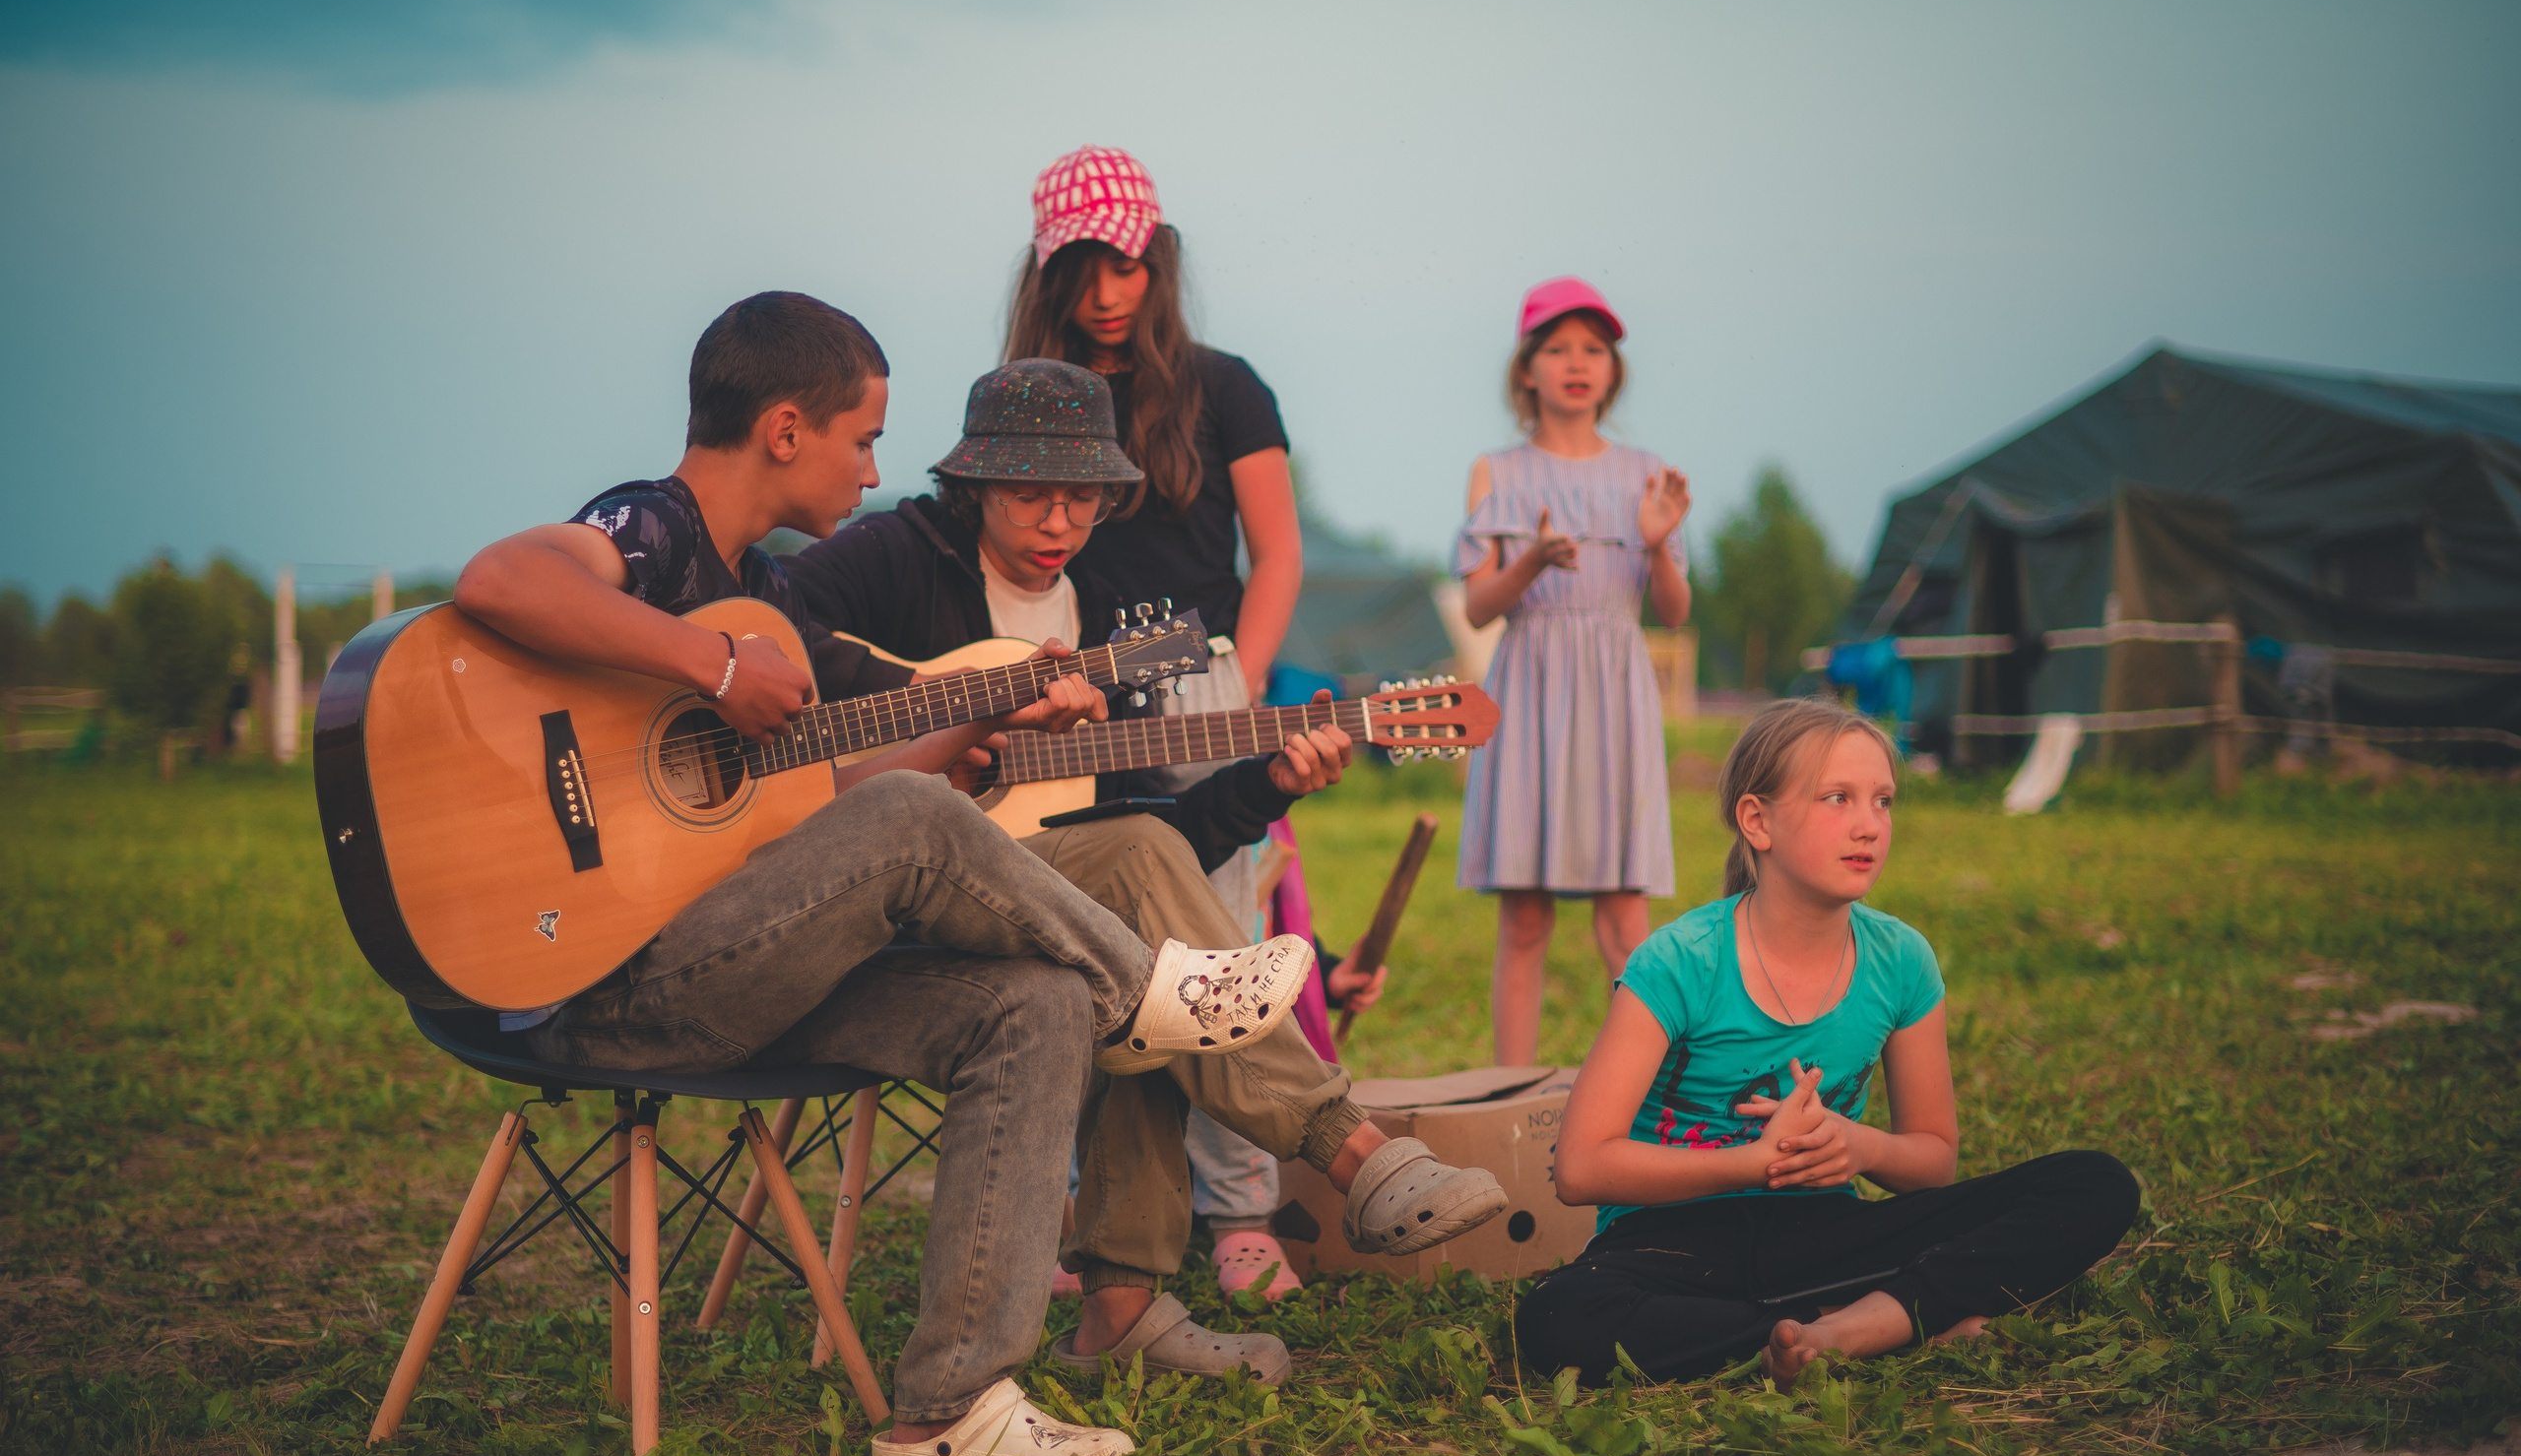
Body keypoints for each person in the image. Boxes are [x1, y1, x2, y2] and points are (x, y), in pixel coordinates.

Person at [453, 291, 1321, 1456]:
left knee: (1033, 1001)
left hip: (745, 957)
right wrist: (708, 662)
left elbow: (823, 801)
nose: (875, 469)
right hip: (606, 977)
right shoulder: (652, 532)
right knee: (918, 826)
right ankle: (1151, 992)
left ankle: (951, 1411)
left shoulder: (764, 586)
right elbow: (500, 581)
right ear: (786, 429)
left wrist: (968, 730)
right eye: (863, 439)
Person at [784, 357, 1508, 1385]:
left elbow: (1150, 827)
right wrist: (952, 717)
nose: (1058, 524)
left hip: (1030, 905)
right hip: (868, 894)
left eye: (1082, 499)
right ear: (978, 486)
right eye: (1032, 495)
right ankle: (1351, 1150)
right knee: (1152, 942)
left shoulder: (1098, 620)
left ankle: (1116, 1316)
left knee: (1150, 978)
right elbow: (761, 628)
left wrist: (1272, 781)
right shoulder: (898, 558)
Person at [1515, 699, 2140, 1387]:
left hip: (1827, 1236)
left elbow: (1931, 1161)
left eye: (1883, 801)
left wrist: (1857, 1145)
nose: (1869, 824)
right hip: (1673, 1243)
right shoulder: (1679, 960)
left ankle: (1853, 1327)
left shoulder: (1902, 960)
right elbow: (1581, 1166)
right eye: (1836, 798)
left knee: (2095, 1183)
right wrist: (1758, 1163)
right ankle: (1860, 1328)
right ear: (1758, 821)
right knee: (1556, 1316)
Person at [1002, 145, 1310, 1282]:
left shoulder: (1226, 386)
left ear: (1158, 259)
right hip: (1060, 699)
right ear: (1050, 273)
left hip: (1204, 691)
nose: (1112, 291)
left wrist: (1248, 696)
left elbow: (1276, 553)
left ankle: (1239, 1218)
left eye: (1131, 263)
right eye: (1087, 267)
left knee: (1222, 948)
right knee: (1077, 952)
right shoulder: (1026, 398)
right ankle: (1085, 1216)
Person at [1456, 277, 1694, 1066]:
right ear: (1527, 369)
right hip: (1528, 689)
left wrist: (1660, 542)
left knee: (1627, 918)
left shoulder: (1646, 472)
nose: (1576, 363)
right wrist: (1529, 562)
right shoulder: (1495, 471)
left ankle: (1656, 1090)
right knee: (1524, 916)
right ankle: (1511, 1094)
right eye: (1556, 348)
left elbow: (1674, 610)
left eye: (1593, 348)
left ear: (1614, 369)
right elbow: (1481, 608)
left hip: (1616, 691)